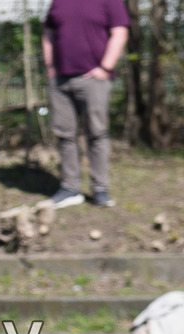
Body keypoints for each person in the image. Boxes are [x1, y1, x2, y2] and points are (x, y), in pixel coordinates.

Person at [42, 0, 129, 209]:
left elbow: (120, 32)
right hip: (61, 79)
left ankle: (100, 189)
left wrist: (105, 67)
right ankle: (70, 188)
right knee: (64, 135)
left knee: (97, 133)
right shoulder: (58, 2)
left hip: (93, 79)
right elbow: (48, 32)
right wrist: (50, 65)